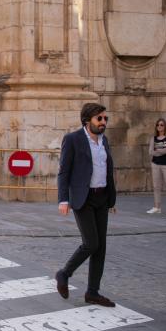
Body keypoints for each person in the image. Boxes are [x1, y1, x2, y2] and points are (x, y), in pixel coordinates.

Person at [55, 102, 117, 307]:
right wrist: (64, 200)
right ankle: (64, 273)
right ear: (87, 120)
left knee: (101, 247)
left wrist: (111, 200)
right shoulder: (73, 139)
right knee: (91, 243)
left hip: (102, 197)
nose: (103, 122)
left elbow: (107, 170)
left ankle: (92, 292)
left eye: (105, 119)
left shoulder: (104, 140)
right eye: (99, 118)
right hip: (83, 198)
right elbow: (64, 172)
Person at [147, 118, 166, 217]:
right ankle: (157, 207)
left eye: (162, 125)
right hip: (155, 164)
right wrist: (161, 151)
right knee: (156, 186)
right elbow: (150, 151)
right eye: (158, 125)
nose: (159, 127)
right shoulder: (153, 138)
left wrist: (158, 152)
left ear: (165, 126)